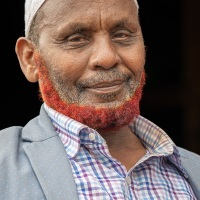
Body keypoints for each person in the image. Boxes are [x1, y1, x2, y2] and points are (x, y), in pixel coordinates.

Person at [0, 0, 199, 199]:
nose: (106, 58)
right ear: (29, 59)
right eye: (76, 39)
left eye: (122, 35)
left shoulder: (193, 170)